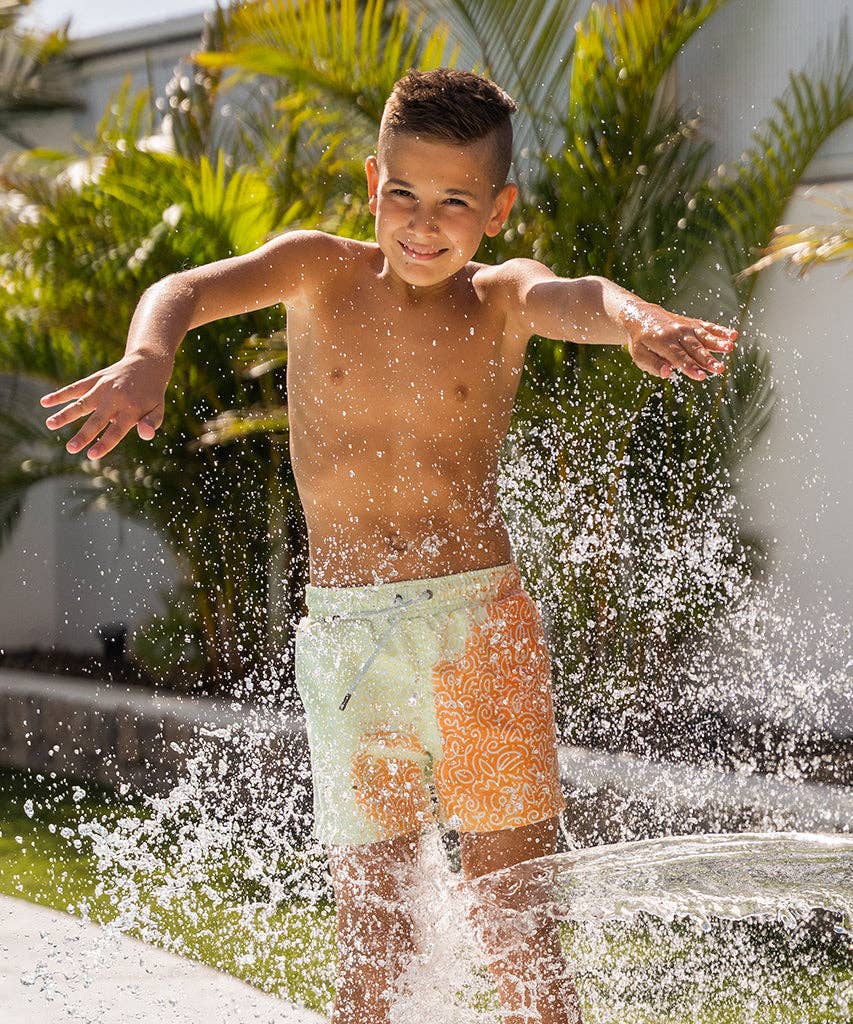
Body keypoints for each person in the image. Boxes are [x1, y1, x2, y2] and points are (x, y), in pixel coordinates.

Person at [39, 68, 737, 1024]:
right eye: (403, 192)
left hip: (479, 632)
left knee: (518, 931)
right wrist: (148, 355)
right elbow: (184, 287)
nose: (423, 222)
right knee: (373, 943)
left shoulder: (498, 297)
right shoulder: (317, 270)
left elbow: (574, 295)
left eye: (455, 202)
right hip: (349, 645)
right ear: (372, 184)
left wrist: (634, 321)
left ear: (497, 211)